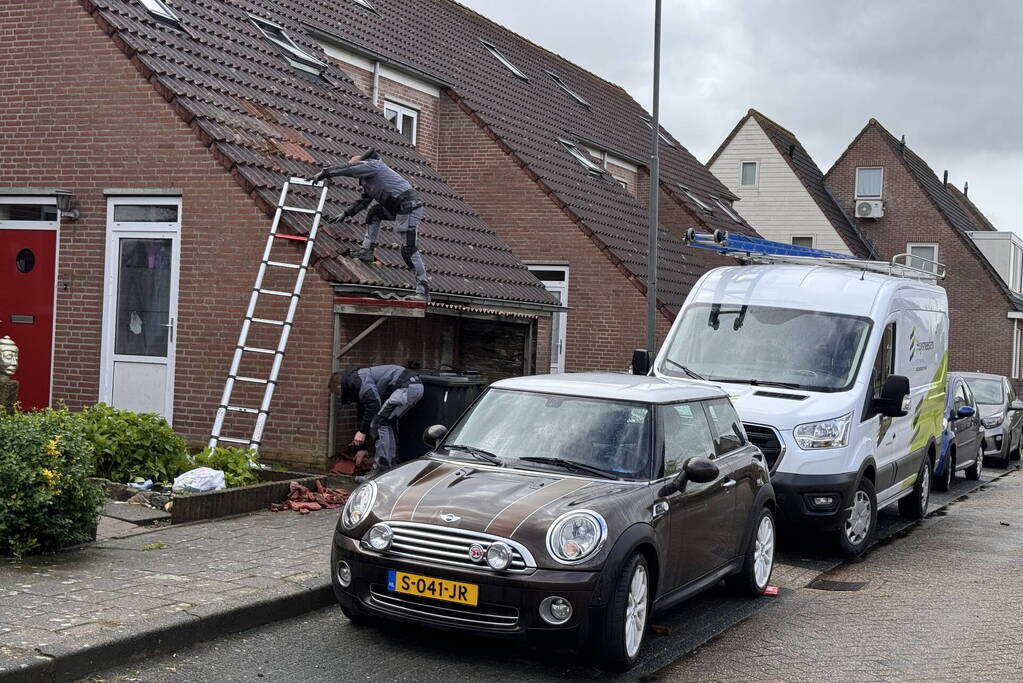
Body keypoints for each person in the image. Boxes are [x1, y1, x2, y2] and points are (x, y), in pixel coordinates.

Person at [312, 151, 429, 300]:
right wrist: (346, 214)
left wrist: (326, 173)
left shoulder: (373, 166)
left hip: (408, 207)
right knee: (374, 213)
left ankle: (422, 290)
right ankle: (367, 251)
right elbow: (363, 201)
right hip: (396, 208)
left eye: (358, 167)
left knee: (408, 250)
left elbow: (349, 170)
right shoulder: (368, 181)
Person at [330, 365, 424, 480]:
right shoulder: (355, 381)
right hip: (412, 387)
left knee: (379, 423)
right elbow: (364, 413)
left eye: (338, 393)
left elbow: (374, 404)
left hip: (406, 388)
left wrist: (362, 432)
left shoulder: (357, 381)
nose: (340, 396)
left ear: (340, 387)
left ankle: (379, 470)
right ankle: (390, 467)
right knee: (386, 423)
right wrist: (362, 447)